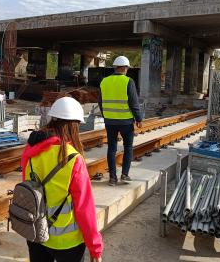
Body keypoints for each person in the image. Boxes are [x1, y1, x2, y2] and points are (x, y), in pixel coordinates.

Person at [21, 97, 103, 262]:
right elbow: (84, 209)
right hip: (67, 242)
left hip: (36, 233)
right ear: (74, 125)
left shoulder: (30, 150)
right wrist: (96, 248)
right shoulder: (73, 159)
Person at [98, 55, 143, 187]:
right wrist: (139, 119)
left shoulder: (104, 81)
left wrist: (106, 115)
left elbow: (100, 102)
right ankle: (124, 174)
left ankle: (112, 178)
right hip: (126, 122)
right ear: (124, 68)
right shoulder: (128, 81)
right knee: (128, 147)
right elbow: (134, 103)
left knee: (111, 148)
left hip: (110, 121)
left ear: (115, 67)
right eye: (127, 68)